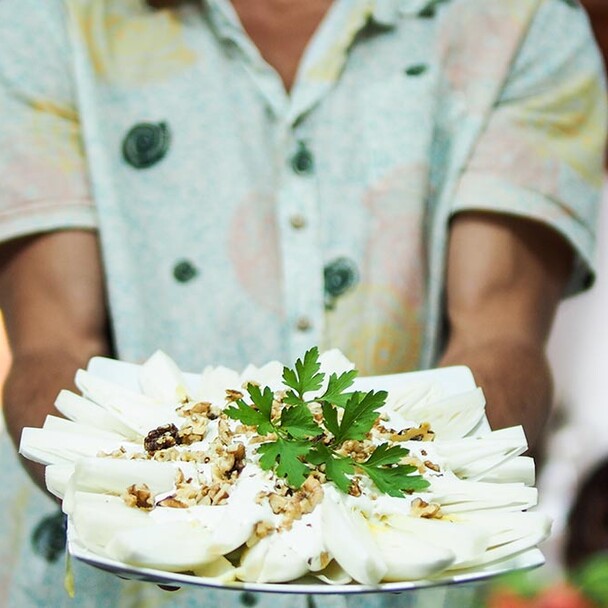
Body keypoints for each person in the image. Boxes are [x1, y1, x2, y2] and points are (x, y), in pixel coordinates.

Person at [0, 0, 605, 607]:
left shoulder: (518, 21)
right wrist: (177, 495)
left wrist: (390, 492)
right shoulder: (50, 18)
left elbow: (499, 337)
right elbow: (54, 344)